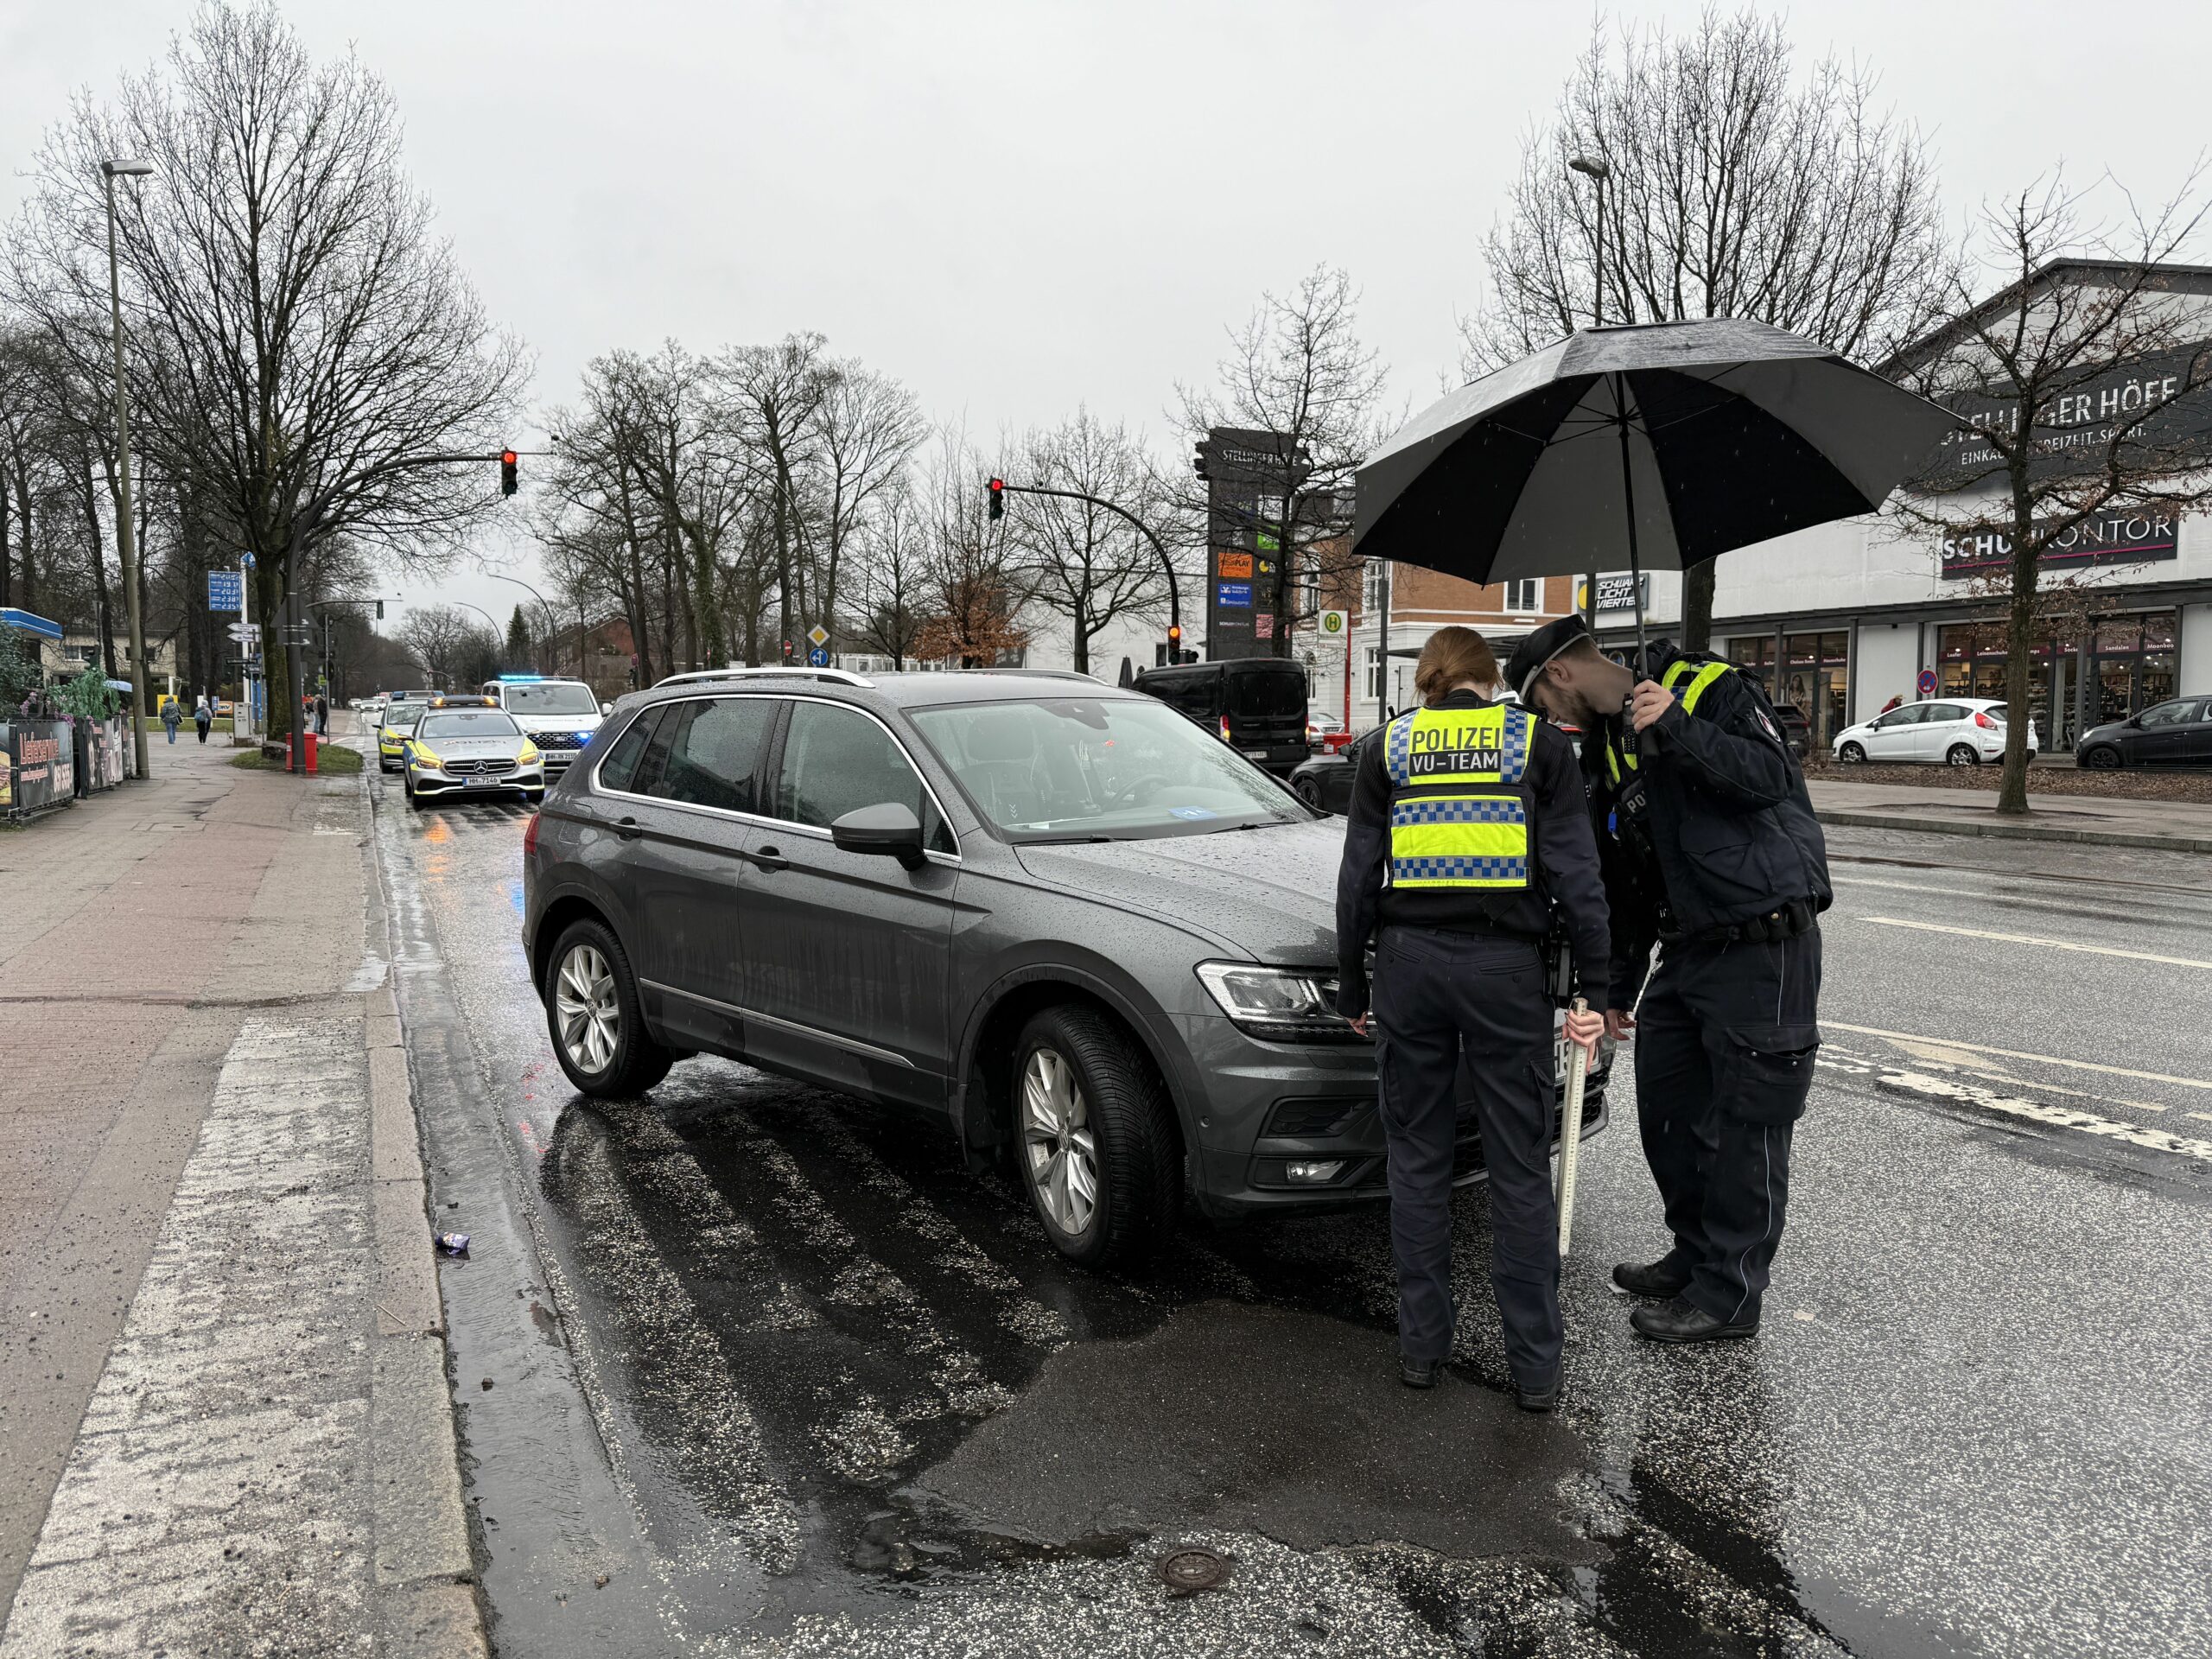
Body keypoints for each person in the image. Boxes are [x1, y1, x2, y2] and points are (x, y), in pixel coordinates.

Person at [1505, 616, 1830, 1345]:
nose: (1548, 722)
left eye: (1542, 704)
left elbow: (1771, 778)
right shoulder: (1607, 748)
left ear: (1559, 675)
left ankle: (1730, 1295)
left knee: (1748, 1127)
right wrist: (1618, 984)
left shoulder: (1705, 687)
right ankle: (1695, 1255)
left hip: (1764, 941)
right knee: (1669, 1112)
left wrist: (1679, 727)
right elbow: (1627, 876)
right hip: (1687, 953)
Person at [1334, 626, 1609, 1413]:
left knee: (1416, 1162)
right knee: (1518, 1167)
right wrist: (1599, 982)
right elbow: (1577, 874)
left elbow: (1358, 876)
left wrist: (1355, 987)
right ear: (1493, 681)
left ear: (1426, 681)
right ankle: (1534, 1370)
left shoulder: (1388, 747)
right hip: (1504, 973)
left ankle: (1422, 1351)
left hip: (1411, 970)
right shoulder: (1534, 745)